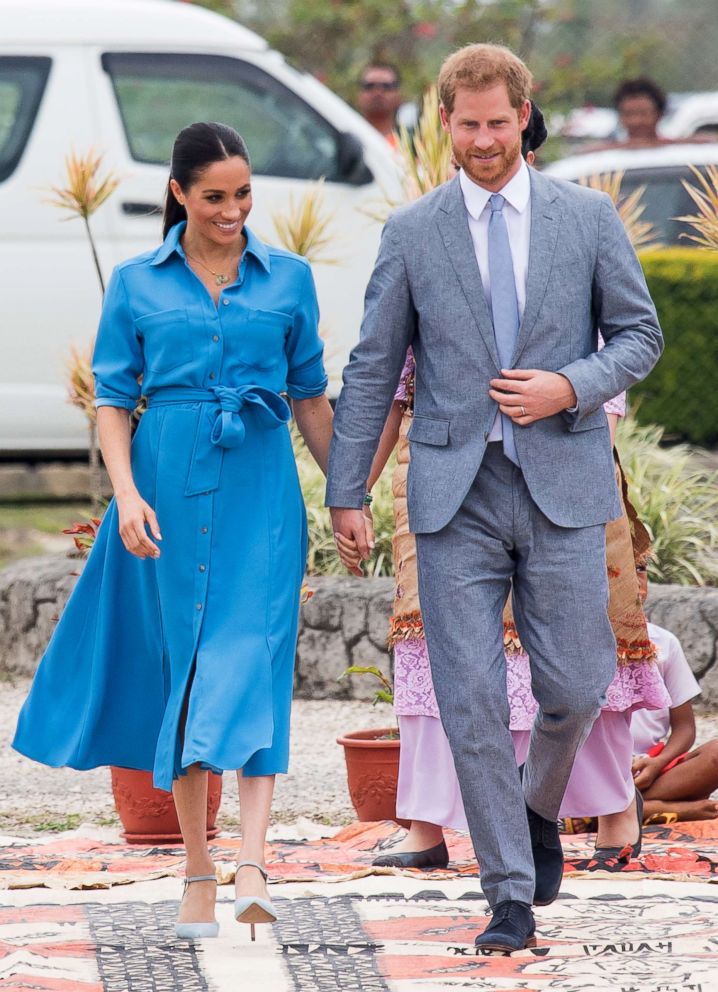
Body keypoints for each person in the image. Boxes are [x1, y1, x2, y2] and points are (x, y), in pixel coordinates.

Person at [326, 43, 663, 953]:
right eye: (467, 125)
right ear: (447, 123)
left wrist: (570, 385)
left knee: (578, 683)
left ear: (524, 115)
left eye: (497, 123)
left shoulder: (586, 218)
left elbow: (639, 336)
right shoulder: (412, 231)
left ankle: (536, 807)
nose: (483, 140)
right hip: (451, 492)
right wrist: (346, 488)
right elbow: (371, 366)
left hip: (561, 478)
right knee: (469, 698)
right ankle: (508, 893)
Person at [12, 122, 332, 941]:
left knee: (253, 665)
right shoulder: (135, 283)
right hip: (164, 490)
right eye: (216, 196)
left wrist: (351, 494)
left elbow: (310, 399)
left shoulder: (289, 279)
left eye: (244, 194)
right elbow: (113, 400)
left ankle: (254, 864)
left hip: (263, 487)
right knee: (184, 675)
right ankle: (197, 867)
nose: (233, 211)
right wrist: (124, 494)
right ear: (181, 194)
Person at [631, 568, 718, 823]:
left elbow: (684, 728)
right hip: (591, 772)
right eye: (621, 570)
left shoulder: (664, 642)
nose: (635, 580)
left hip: (649, 773)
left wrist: (658, 764)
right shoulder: (579, 641)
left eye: (641, 569)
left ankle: (612, 811)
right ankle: (664, 809)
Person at [357, 62, 404, 146]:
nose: (378, 92)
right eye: (370, 86)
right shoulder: (347, 141)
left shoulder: (410, 144)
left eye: (386, 86)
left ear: (398, 95)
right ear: (359, 95)